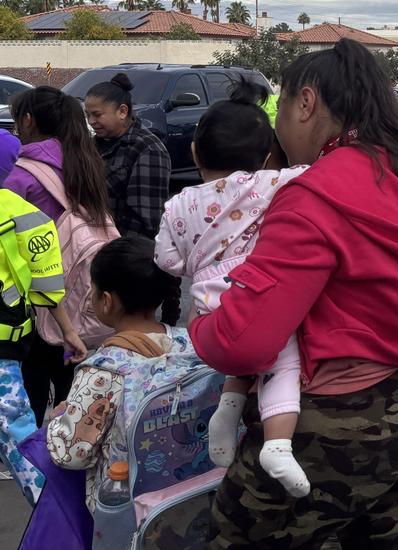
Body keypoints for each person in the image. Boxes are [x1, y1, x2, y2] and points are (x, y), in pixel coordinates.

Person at [190, 38, 398, 547]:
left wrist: (204, 322)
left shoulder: (315, 195)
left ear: (306, 103)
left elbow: (246, 340)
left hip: (335, 424)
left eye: (282, 108)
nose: (279, 126)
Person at [153, 81, 312, 497]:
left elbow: (167, 262)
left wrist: (197, 260)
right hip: (254, 290)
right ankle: (278, 444)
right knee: (282, 359)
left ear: (194, 152)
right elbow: (318, 174)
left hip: (207, 301)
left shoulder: (178, 203)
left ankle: (228, 410)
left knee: (241, 355)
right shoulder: (275, 183)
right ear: (265, 155)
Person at [44, 235, 195, 511]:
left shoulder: (103, 368)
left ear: (107, 300)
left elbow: (72, 454)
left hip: (127, 509)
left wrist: (57, 420)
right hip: (187, 494)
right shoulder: (192, 345)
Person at [5, 86, 113, 426]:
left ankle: (34, 452)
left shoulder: (23, 173)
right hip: (80, 278)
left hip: (39, 288)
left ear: (27, 120)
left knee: (33, 378)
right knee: (68, 368)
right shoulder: (84, 158)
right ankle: (68, 444)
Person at [0, 134, 66, 505]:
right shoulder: (24, 214)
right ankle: (50, 509)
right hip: (5, 345)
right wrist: (69, 331)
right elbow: (47, 289)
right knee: (18, 433)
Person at [84, 73, 178, 326]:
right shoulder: (95, 145)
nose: (92, 122)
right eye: (88, 115)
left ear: (122, 111)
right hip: (95, 248)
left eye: (97, 114)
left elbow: (146, 220)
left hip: (124, 258)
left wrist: (118, 258)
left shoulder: (147, 148)